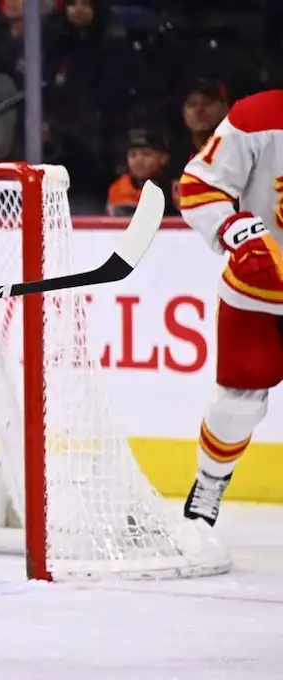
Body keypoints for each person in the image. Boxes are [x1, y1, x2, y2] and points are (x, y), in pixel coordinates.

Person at [177, 88, 283, 526]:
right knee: (237, 404)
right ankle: (210, 483)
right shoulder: (259, 115)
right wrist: (236, 229)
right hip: (258, 292)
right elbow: (201, 183)